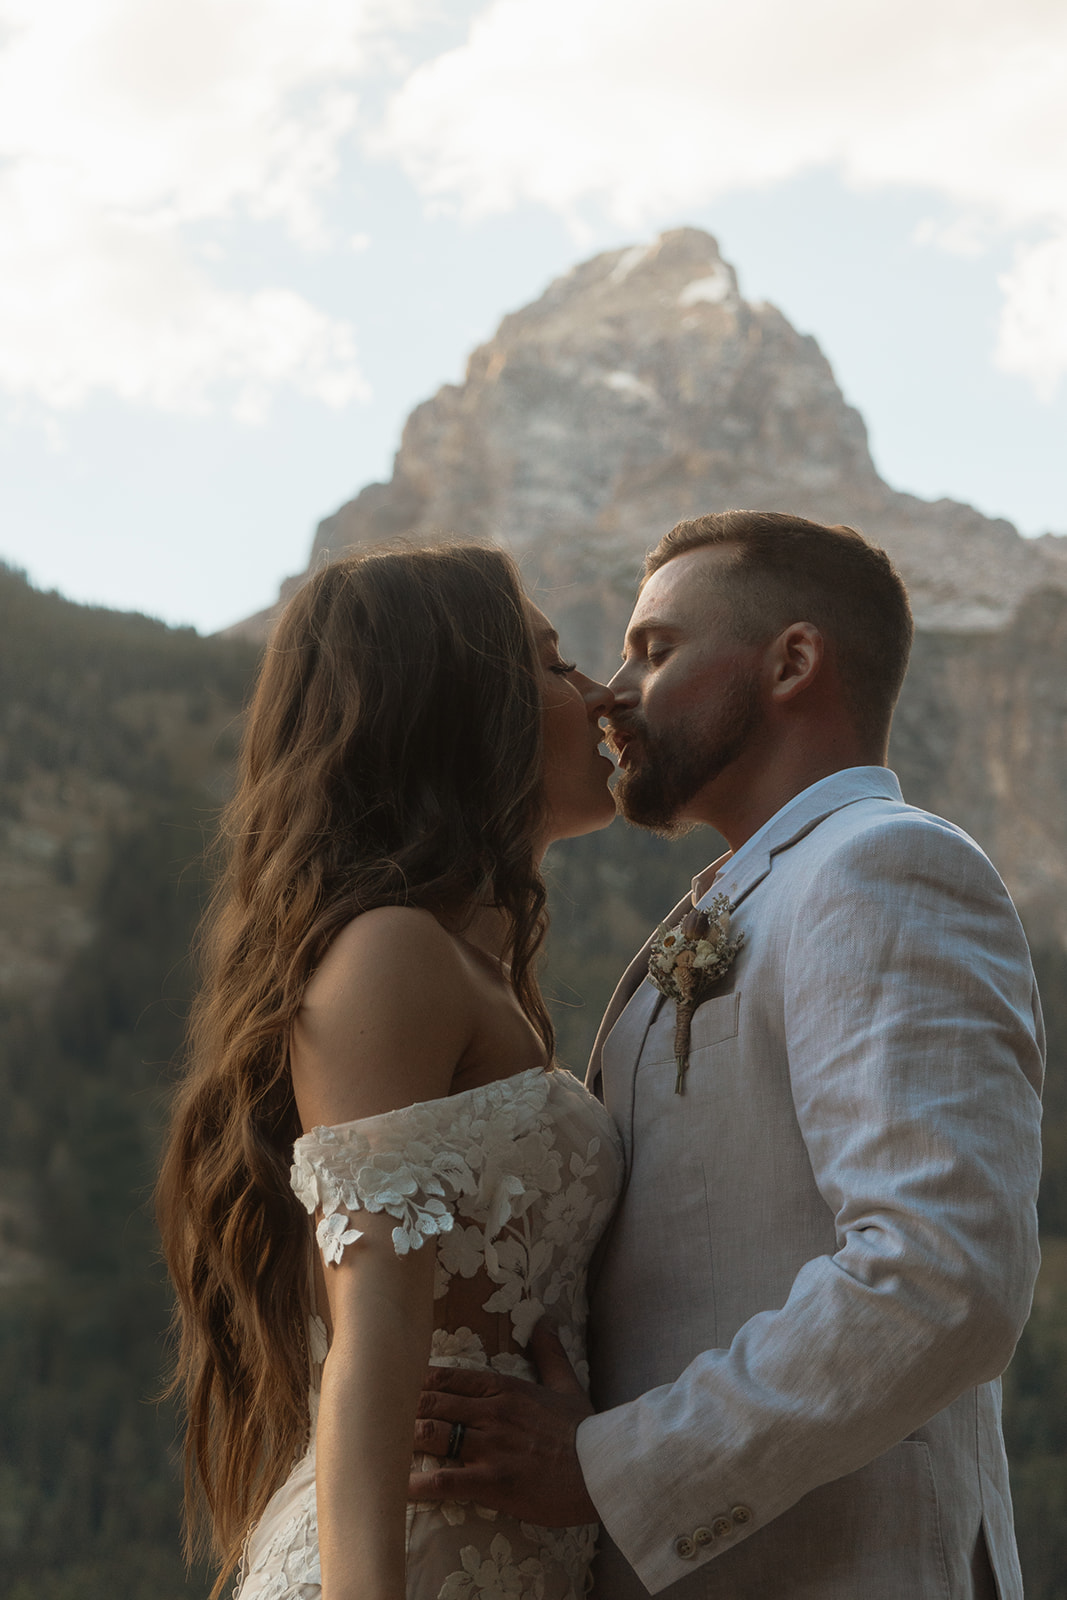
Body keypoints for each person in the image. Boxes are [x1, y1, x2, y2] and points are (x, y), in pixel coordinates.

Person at [410, 511, 1045, 1600]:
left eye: (655, 650)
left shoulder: (882, 867)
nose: (613, 691)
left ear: (791, 661)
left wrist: (613, 1468)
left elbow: (941, 1273)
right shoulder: (748, 893)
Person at [155, 542, 625, 1600]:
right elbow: (373, 1327)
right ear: (464, 709)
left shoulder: (471, 968)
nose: (601, 693)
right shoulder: (390, 955)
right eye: (555, 666)